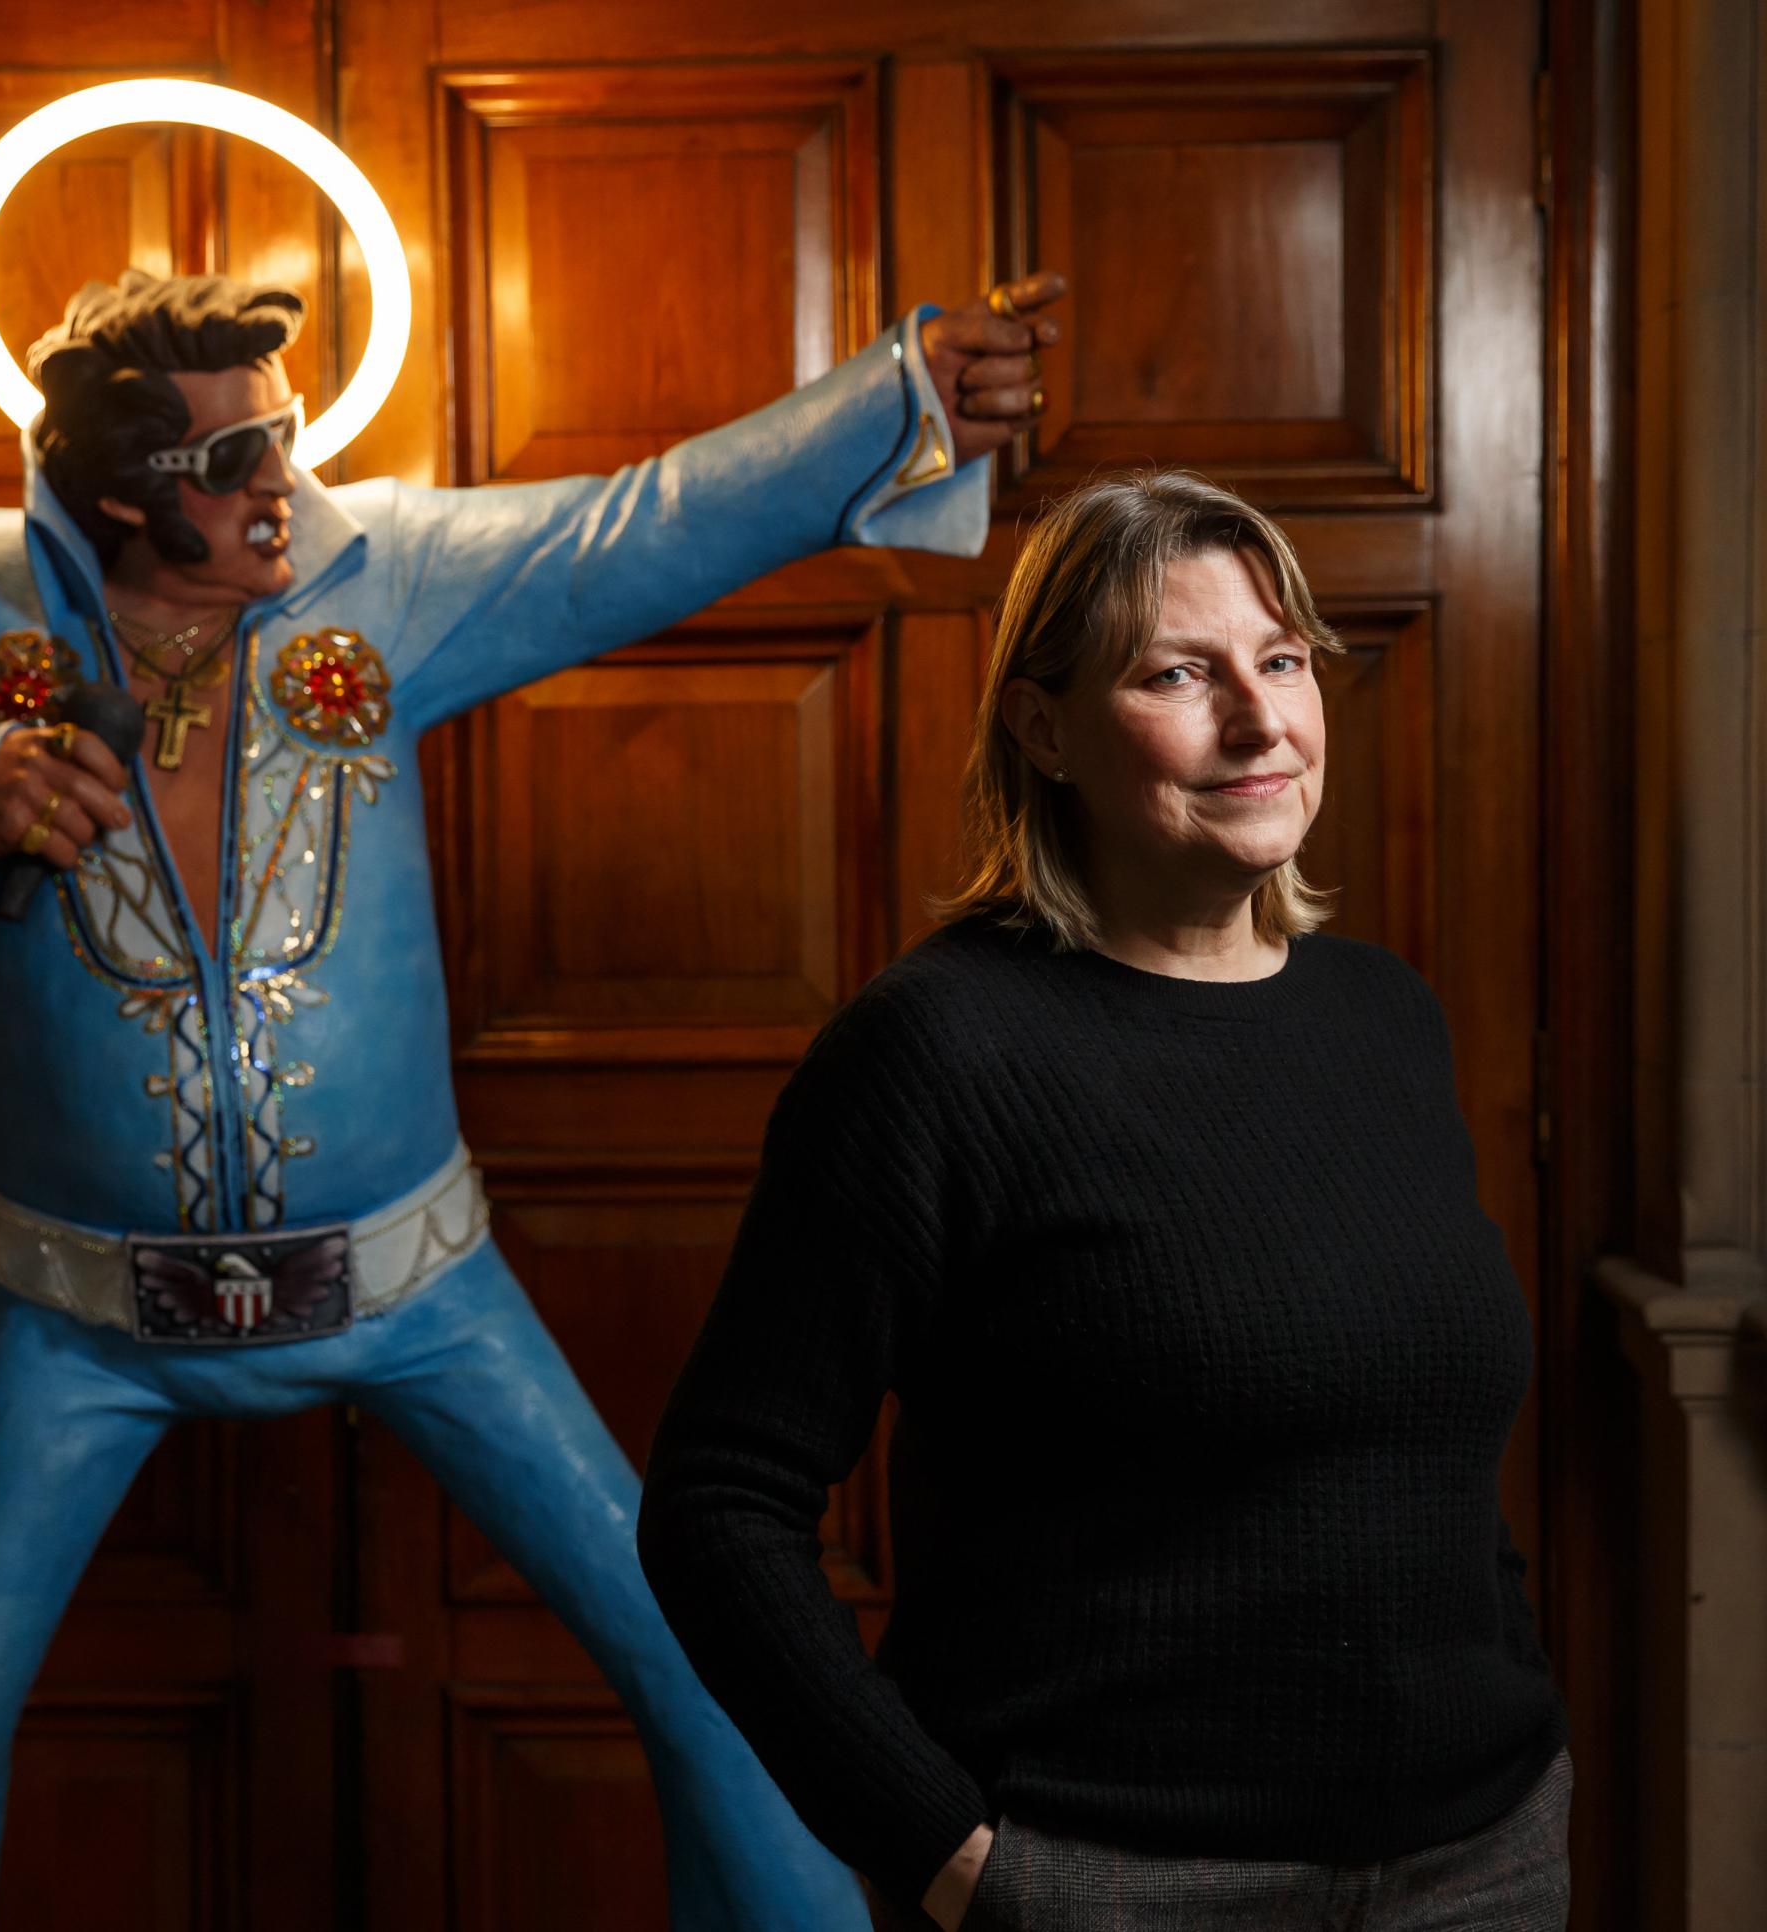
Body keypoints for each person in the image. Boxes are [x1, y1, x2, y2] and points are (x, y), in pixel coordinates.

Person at [0, 266, 1066, 1930]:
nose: (283, 484)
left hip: (419, 1288)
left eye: (288, 435)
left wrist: (901, 397)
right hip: (79, 1319)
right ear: (122, 493)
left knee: (710, 1673)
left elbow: (644, 523)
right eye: (236, 455)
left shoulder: (382, 577)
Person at [636, 471, 1571, 1932]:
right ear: (1045, 727)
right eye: (1178, 674)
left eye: (1281, 660)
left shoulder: (1383, 1017)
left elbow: (1427, 1457)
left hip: (1482, 1863)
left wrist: (1515, 1725)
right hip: (1115, 1883)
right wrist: (949, 1857)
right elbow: (717, 1506)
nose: (1260, 720)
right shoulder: (936, 1051)